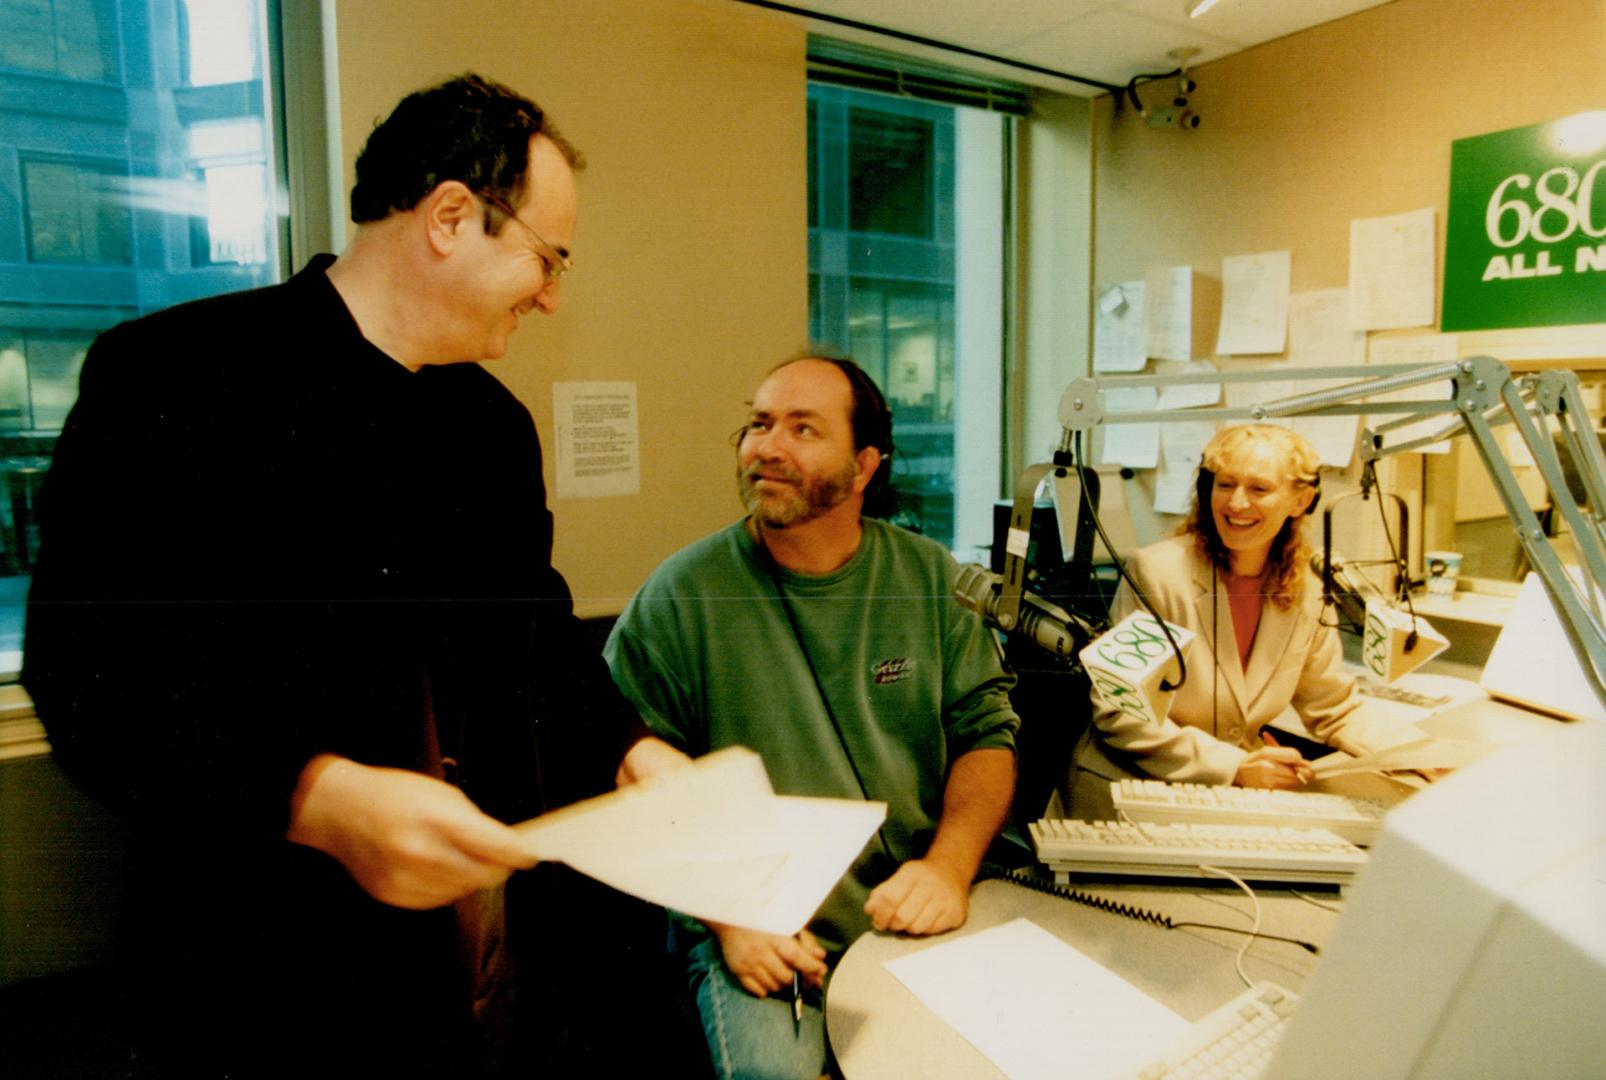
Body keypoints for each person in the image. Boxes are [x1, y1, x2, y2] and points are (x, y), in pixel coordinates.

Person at [23, 73, 686, 1077]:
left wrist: (635, 751)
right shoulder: (175, 377)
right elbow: (88, 676)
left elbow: (539, 643)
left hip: (481, 979)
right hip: (259, 982)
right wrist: (315, 800)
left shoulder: (492, 428)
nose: (553, 295)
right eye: (547, 258)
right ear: (451, 216)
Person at [603, 354, 1020, 1080]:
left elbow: (987, 737)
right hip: (759, 925)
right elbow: (624, 769)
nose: (768, 446)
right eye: (759, 424)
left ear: (863, 467)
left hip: (910, 903)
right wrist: (731, 918)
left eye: (803, 429)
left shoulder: (928, 579)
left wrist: (949, 871)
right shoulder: (683, 595)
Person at [1062, 423, 1411, 818]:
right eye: (1225, 485)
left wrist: (1416, 753)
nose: (1237, 504)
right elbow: (1120, 709)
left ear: (1301, 500)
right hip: (1129, 792)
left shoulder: (1307, 591)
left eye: (1259, 489)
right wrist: (1234, 765)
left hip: (1229, 797)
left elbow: (1335, 708)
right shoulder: (1158, 572)